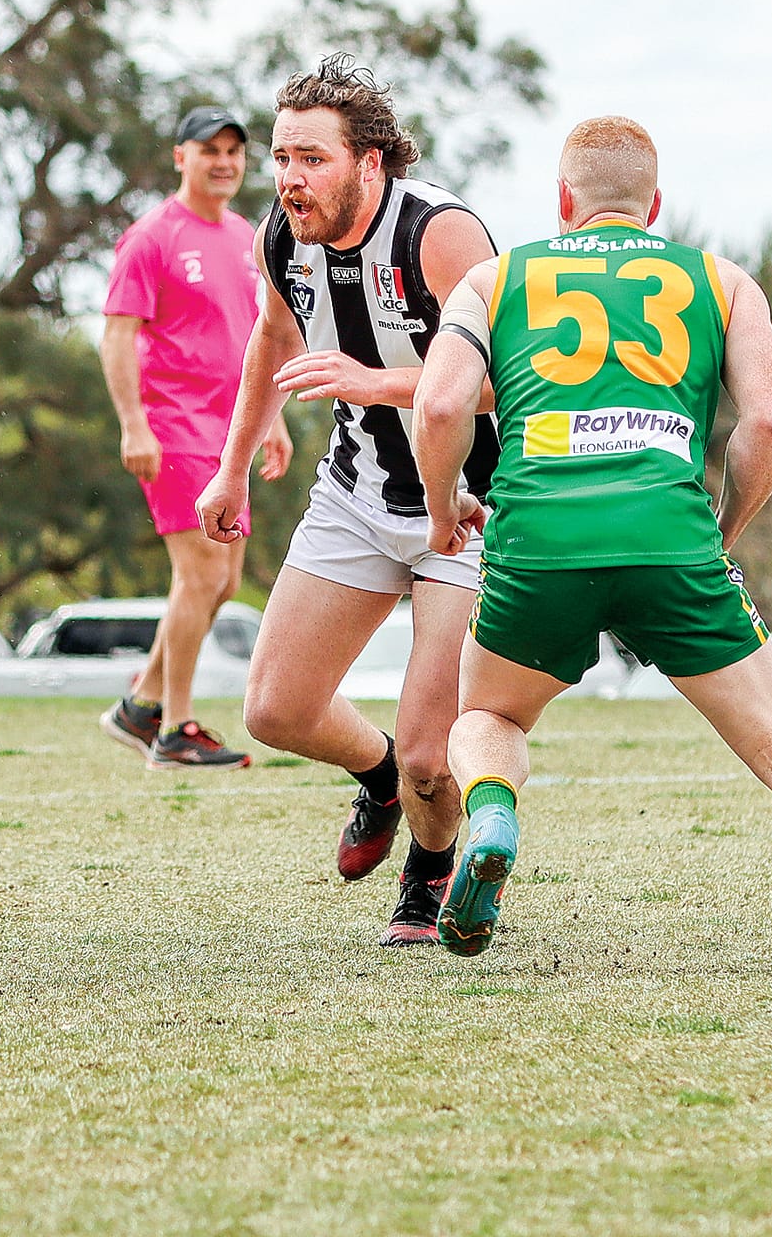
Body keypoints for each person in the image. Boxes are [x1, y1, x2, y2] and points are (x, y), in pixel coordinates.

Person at [409, 115, 772, 974]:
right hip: (674, 542)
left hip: (538, 539)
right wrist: (723, 532)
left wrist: (445, 510)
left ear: (561, 200)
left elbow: (437, 408)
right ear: (654, 204)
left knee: (490, 715)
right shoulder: (721, 280)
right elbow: (767, 421)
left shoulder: (494, 278)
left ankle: (497, 816)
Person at [197, 54, 498, 947]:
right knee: (275, 710)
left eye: (312, 159)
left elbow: (510, 383)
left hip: (468, 510)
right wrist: (231, 465)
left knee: (430, 759)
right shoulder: (278, 238)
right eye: (283, 157)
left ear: (371, 162)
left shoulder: (438, 235)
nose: (290, 178)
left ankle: (431, 868)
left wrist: (373, 381)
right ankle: (374, 778)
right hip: (357, 491)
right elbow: (270, 341)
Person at [97, 105, 293, 769]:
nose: (224, 161)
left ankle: (141, 705)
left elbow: (259, 336)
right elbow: (117, 334)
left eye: (235, 151)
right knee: (203, 569)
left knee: (224, 577)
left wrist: (273, 420)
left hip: (229, 429)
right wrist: (133, 424)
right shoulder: (152, 236)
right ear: (180, 156)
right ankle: (174, 730)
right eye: (208, 149)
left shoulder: (247, 234)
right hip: (173, 425)